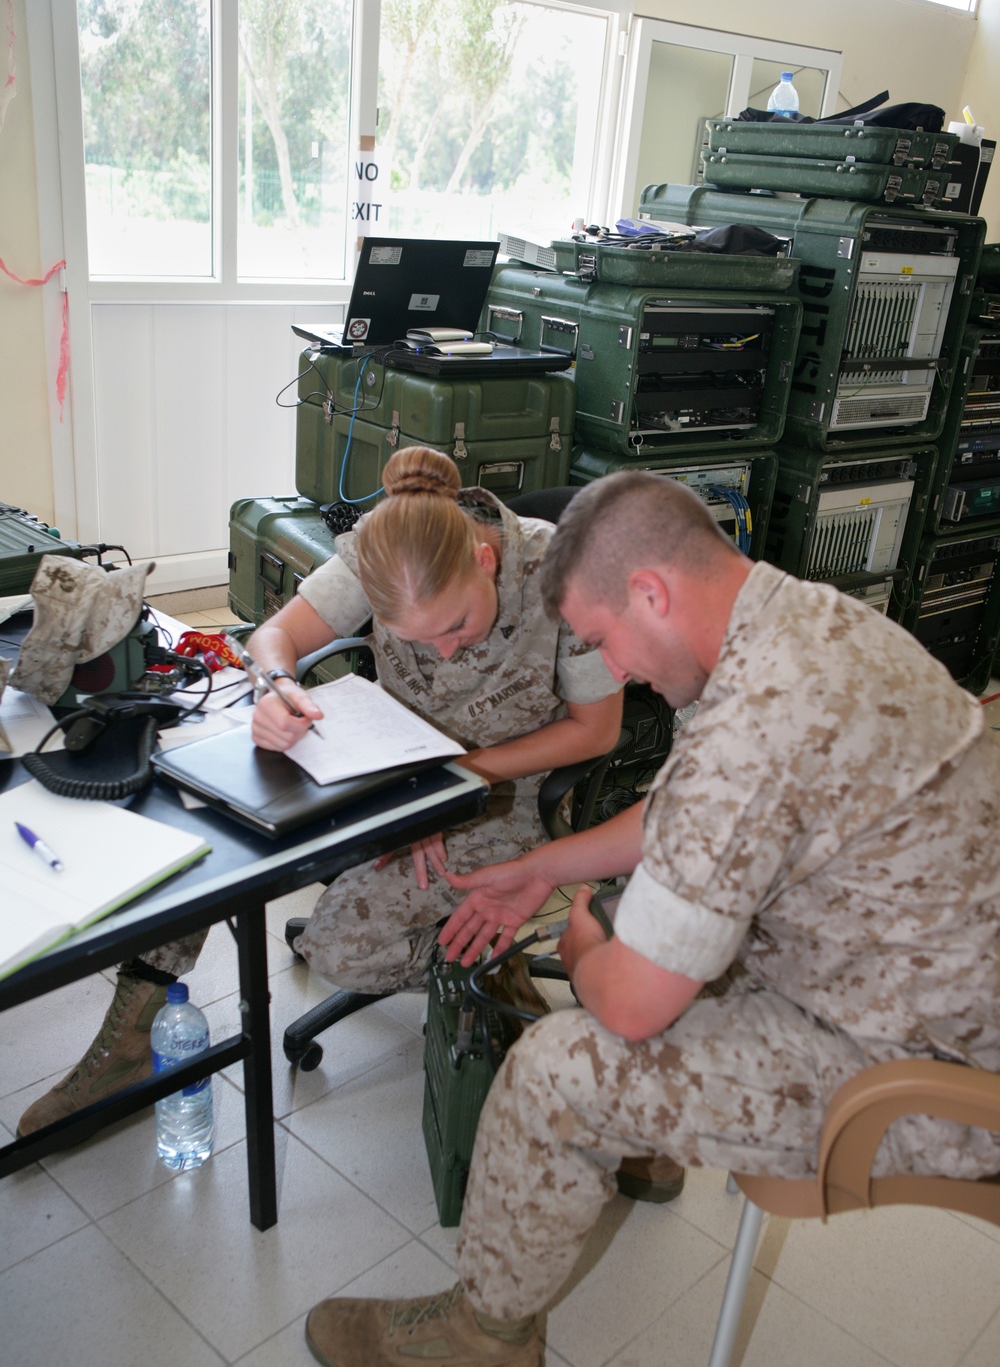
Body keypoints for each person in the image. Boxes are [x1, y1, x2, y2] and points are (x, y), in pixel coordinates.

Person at [301, 471, 1000, 1367]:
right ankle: (650, 1144)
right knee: (647, 920)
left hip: (935, 1072)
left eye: (601, 640)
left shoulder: (751, 728)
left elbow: (628, 999)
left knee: (560, 1067)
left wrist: (587, 945)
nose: (613, 671)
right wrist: (551, 871)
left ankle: (487, 1334)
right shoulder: (801, 623)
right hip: (924, 971)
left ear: (652, 594)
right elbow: (686, 810)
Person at [17, 448, 623, 1136]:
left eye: (457, 628)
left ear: (485, 564)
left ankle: (482, 968)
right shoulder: (385, 549)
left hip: (497, 799)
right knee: (204, 837)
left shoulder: (564, 574)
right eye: (419, 640)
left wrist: (448, 781)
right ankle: (132, 1034)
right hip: (380, 769)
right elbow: (276, 636)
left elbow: (595, 732)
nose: (446, 651)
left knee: (340, 951)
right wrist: (278, 689)